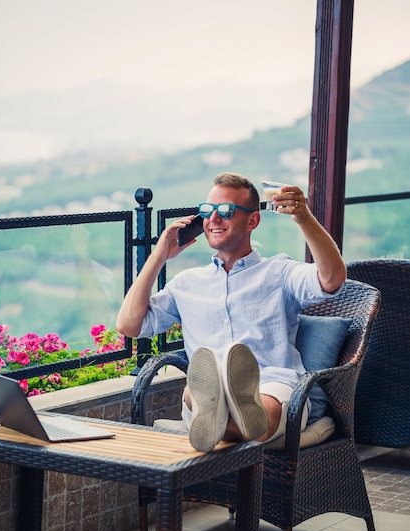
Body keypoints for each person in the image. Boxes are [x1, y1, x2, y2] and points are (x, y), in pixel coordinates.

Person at [117, 172, 346, 452]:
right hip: (208, 393)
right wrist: (158, 256)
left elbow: (332, 278)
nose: (213, 219)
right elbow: (129, 325)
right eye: (207, 211)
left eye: (225, 211)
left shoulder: (279, 272)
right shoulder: (187, 284)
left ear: (252, 220)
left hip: (273, 385)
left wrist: (303, 218)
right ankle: (228, 417)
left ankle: (227, 421)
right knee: (196, 392)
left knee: (258, 406)